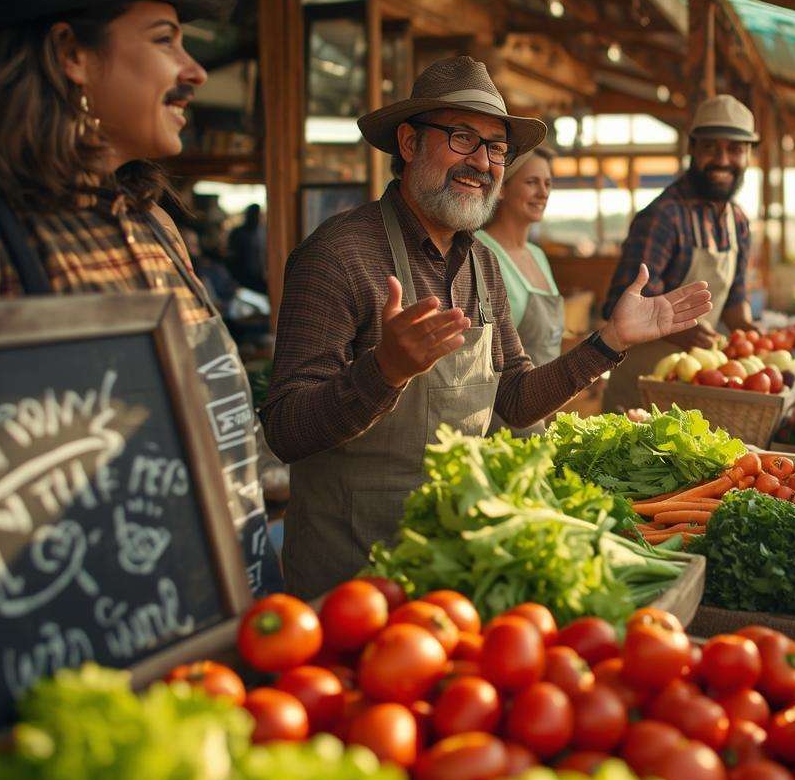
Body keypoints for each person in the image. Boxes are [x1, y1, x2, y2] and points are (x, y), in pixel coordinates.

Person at [0, 0, 281, 595]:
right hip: (78, 642)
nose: (193, 71)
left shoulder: (149, 220)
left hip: (226, 611)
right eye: (164, 41)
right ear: (70, 53)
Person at [261, 56, 711, 597]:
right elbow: (285, 430)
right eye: (461, 137)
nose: (483, 162)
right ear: (408, 143)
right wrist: (384, 371)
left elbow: (515, 400)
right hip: (352, 581)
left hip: (451, 565)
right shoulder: (338, 255)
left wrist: (609, 341)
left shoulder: (482, 264)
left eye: (496, 148)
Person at [602, 94, 758, 411]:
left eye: (735, 149)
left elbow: (734, 302)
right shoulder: (664, 216)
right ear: (692, 148)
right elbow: (620, 303)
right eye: (711, 147)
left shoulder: (738, 222)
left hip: (696, 387)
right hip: (641, 388)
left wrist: (753, 337)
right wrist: (682, 331)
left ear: (748, 155)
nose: (723, 159)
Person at [475, 147, 563, 434]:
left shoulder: (538, 255)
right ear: (501, 189)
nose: (543, 192)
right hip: (501, 422)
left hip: (546, 412)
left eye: (548, 183)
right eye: (531, 182)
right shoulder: (480, 251)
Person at [227, 202, 267, 293]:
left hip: (259, 278)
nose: (259, 218)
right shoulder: (238, 233)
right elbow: (232, 257)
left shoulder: (262, 232)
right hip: (243, 277)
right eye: (258, 215)